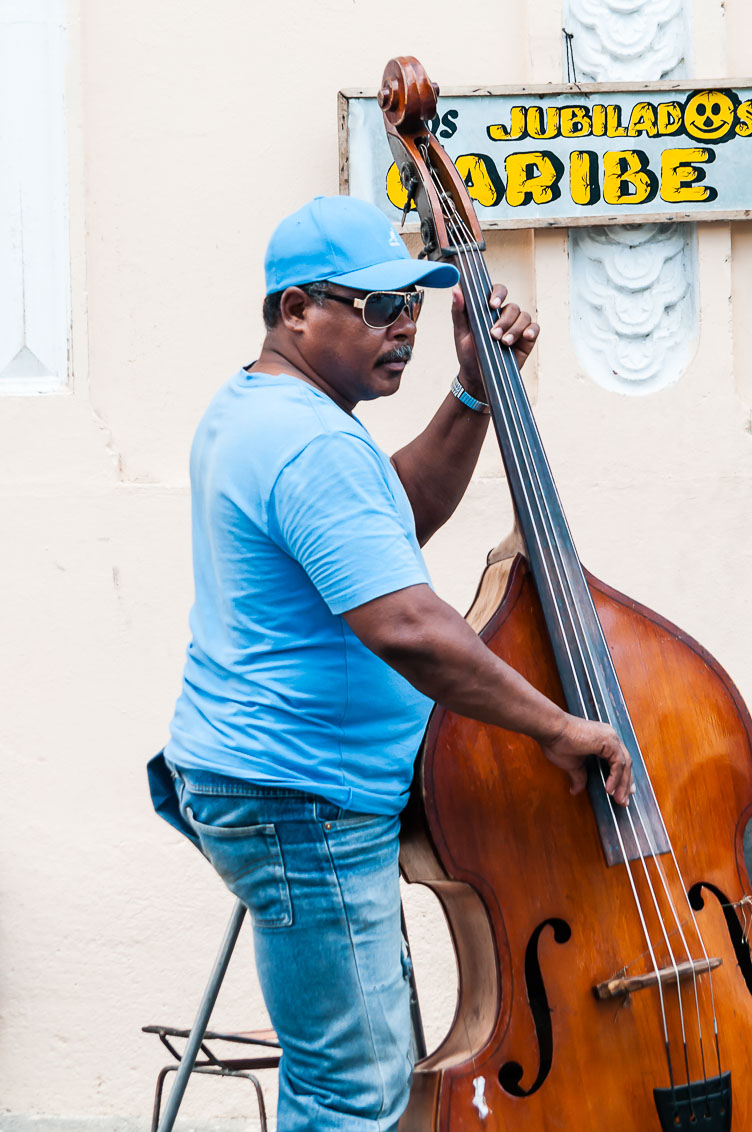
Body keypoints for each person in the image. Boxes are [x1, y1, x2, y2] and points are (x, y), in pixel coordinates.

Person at [156, 194, 633, 1131]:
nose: (404, 326)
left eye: (411, 303)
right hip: (305, 802)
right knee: (355, 1093)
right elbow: (408, 625)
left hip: (275, 784)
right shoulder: (309, 441)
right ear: (296, 311)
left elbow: (394, 516)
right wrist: (559, 724)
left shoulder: (266, 407)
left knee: (353, 1075)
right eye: (377, 308)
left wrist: (472, 393)